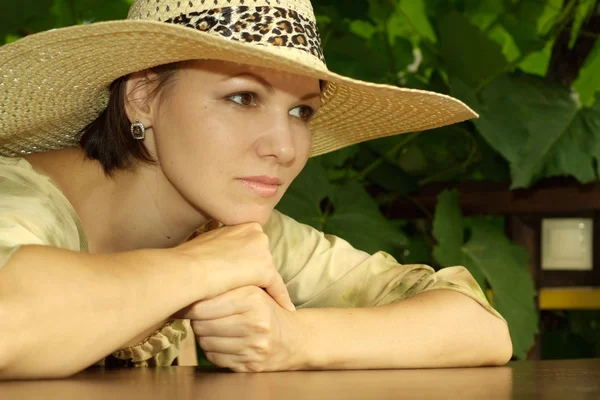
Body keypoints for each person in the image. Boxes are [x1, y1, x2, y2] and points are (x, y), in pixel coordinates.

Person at [0, 0, 512, 379]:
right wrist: (205, 266)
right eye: (243, 97)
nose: (286, 149)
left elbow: (481, 327)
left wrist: (292, 339)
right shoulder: (17, 198)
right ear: (142, 97)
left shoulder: (240, 231)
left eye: (301, 111)